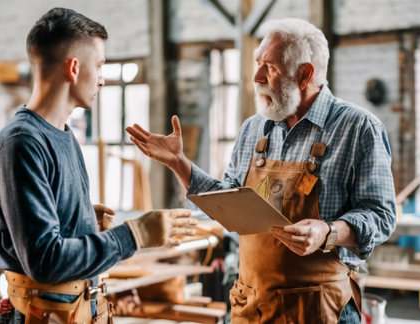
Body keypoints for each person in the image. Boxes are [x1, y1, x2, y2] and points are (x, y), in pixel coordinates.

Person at [126, 18, 396, 323]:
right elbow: (228, 201)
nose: (256, 76)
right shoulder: (254, 128)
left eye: (270, 67)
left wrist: (328, 232)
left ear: (305, 74)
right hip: (253, 306)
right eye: (258, 63)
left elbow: (382, 216)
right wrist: (179, 163)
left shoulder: (358, 128)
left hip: (319, 309)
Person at [0, 8, 197, 324]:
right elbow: (45, 260)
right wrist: (135, 234)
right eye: (99, 66)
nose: (101, 78)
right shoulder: (21, 143)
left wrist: (81, 222)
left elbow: (53, 234)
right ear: (73, 68)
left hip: (79, 310)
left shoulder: (65, 137)